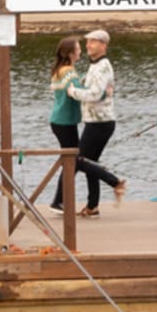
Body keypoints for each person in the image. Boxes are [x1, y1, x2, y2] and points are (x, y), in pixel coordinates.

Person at [45, 37, 121, 211]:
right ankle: (113, 181)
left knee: (78, 160)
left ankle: (86, 203)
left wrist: (87, 83)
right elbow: (79, 92)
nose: (82, 50)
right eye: (78, 48)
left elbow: (77, 86)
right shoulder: (69, 72)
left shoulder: (61, 70)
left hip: (61, 121)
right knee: (76, 160)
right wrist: (104, 94)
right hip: (65, 122)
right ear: (71, 53)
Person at [68, 28, 126, 215]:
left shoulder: (103, 66)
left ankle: (115, 182)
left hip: (101, 122)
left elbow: (93, 94)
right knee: (90, 162)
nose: (88, 45)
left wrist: (72, 92)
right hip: (93, 120)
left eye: (92, 41)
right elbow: (93, 89)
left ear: (103, 45)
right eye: (87, 42)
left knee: (80, 161)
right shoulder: (94, 65)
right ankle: (93, 206)